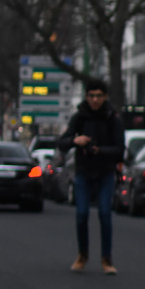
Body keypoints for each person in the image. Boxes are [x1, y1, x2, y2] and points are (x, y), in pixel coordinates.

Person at [58, 79, 124, 275]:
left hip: (105, 173)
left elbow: (119, 150)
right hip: (84, 172)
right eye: (91, 96)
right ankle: (82, 255)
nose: (95, 100)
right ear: (87, 97)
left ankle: (106, 259)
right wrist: (75, 140)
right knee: (81, 215)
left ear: (105, 97)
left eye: (99, 96)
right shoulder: (80, 117)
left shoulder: (113, 119)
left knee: (105, 214)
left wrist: (99, 150)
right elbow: (62, 143)